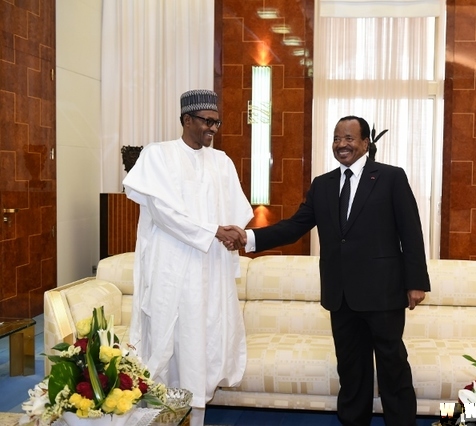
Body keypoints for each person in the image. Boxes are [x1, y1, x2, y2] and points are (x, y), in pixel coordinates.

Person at [235, 115, 431, 425]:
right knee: (351, 368)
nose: (342, 144)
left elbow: (411, 231)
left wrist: (416, 282)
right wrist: (249, 237)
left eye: (349, 138)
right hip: (341, 295)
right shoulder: (322, 185)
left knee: (392, 366)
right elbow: (295, 227)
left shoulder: (391, 177)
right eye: (337, 138)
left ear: (365, 143)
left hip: (383, 293)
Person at [122, 89, 253, 426]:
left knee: (203, 336)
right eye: (207, 121)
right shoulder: (158, 155)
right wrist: (212, 231)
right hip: (171, 266)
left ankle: (195, 416)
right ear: (186, 120)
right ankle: (159, 416)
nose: (213, 128)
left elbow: (238, 210)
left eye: (216, 122)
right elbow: (163, 212)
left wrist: (233, 233)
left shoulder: (221, 161)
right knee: (170, 336)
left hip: (210, 268)